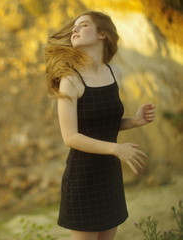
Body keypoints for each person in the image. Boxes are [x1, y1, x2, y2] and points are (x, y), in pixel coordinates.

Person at [44, 11, 156, 240]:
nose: (75, 30)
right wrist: (117, 149)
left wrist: (135, 121)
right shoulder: (71, 80)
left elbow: (102, 125)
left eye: (83, 25)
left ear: (102, 34)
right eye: (74, 27)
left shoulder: (115, 73)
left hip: (109, 174)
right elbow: (71, 137)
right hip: (83, 176)